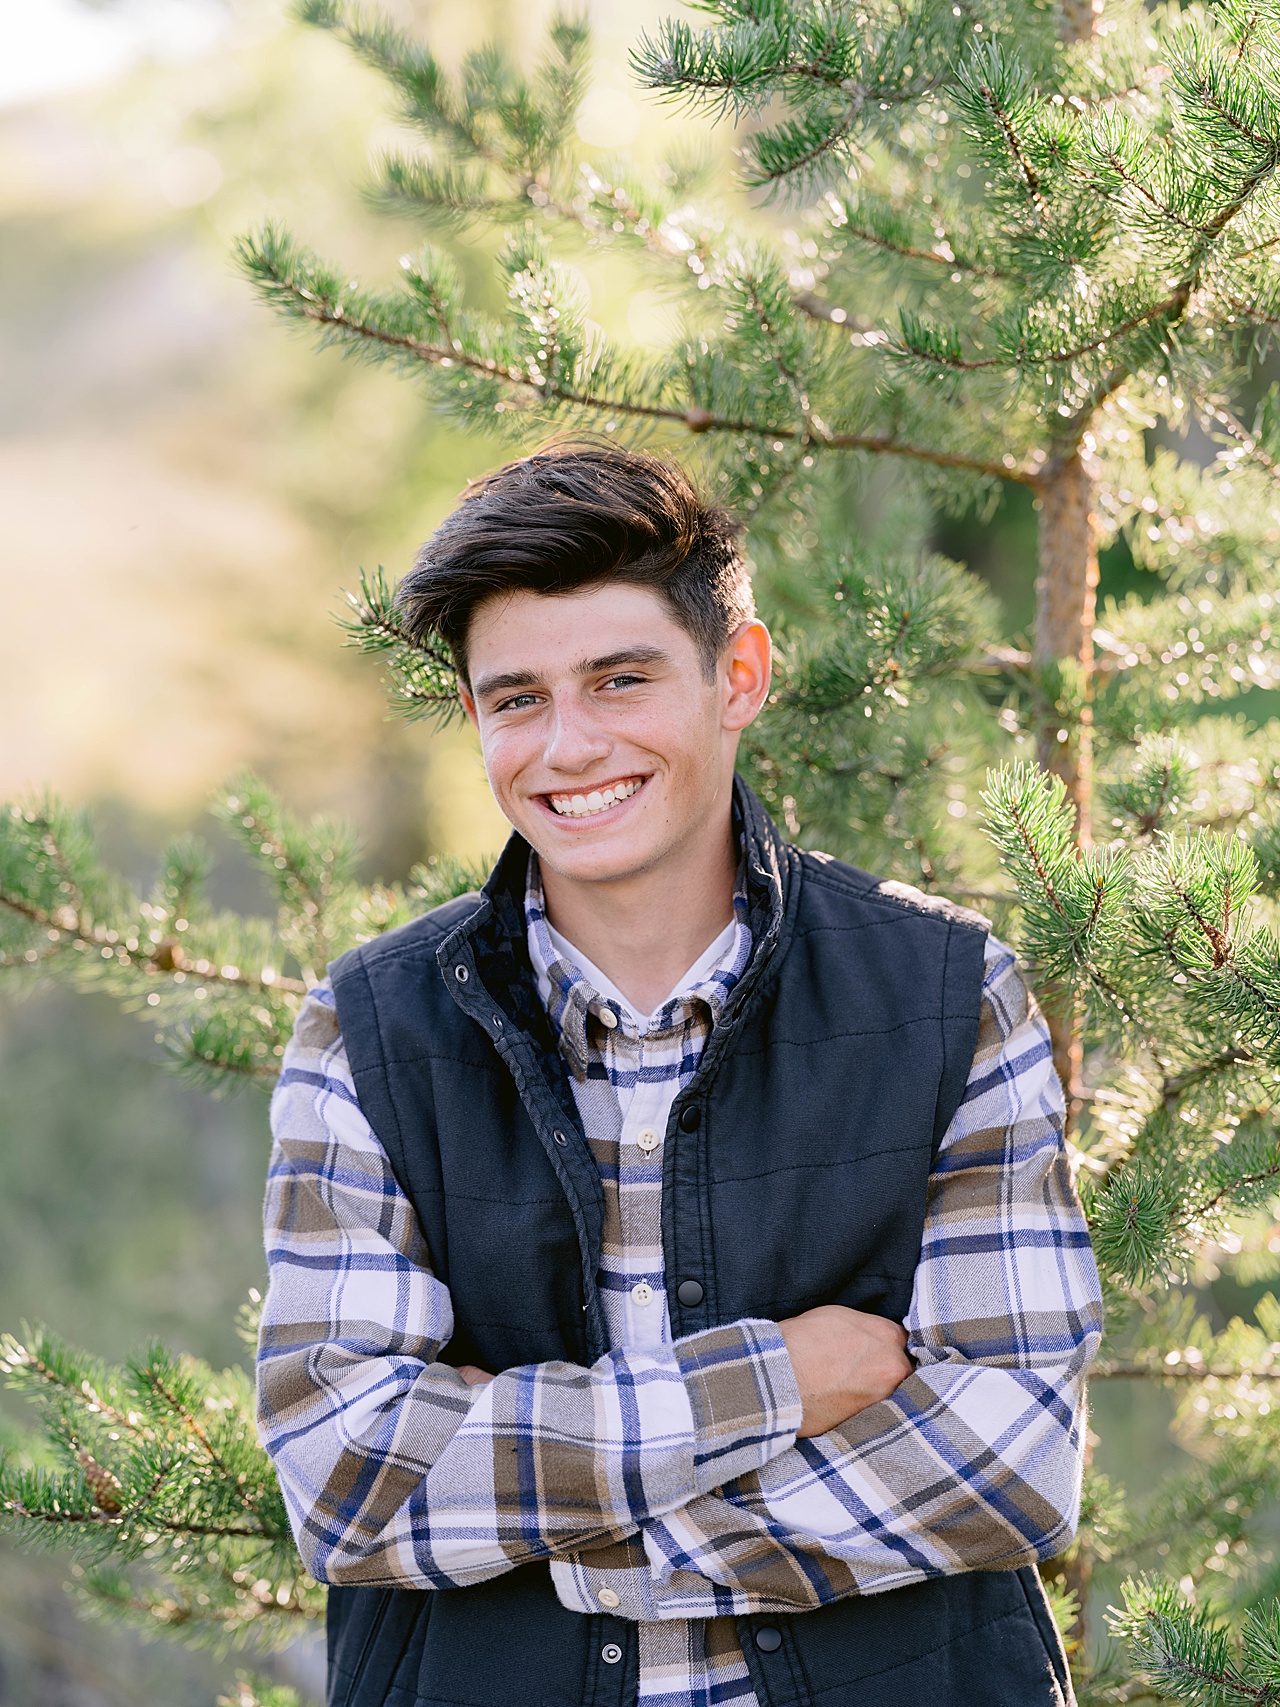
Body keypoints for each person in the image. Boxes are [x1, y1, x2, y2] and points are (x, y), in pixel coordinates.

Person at [257, 443, 1102, 1707]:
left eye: (620, 678)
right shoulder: (368, 1027)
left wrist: (571, 1531)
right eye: (517, 699)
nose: (569, 746)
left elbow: (1009, 1456)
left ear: (737, 676)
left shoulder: (941, 992)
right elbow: (348, 1480)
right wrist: (782, 1383)